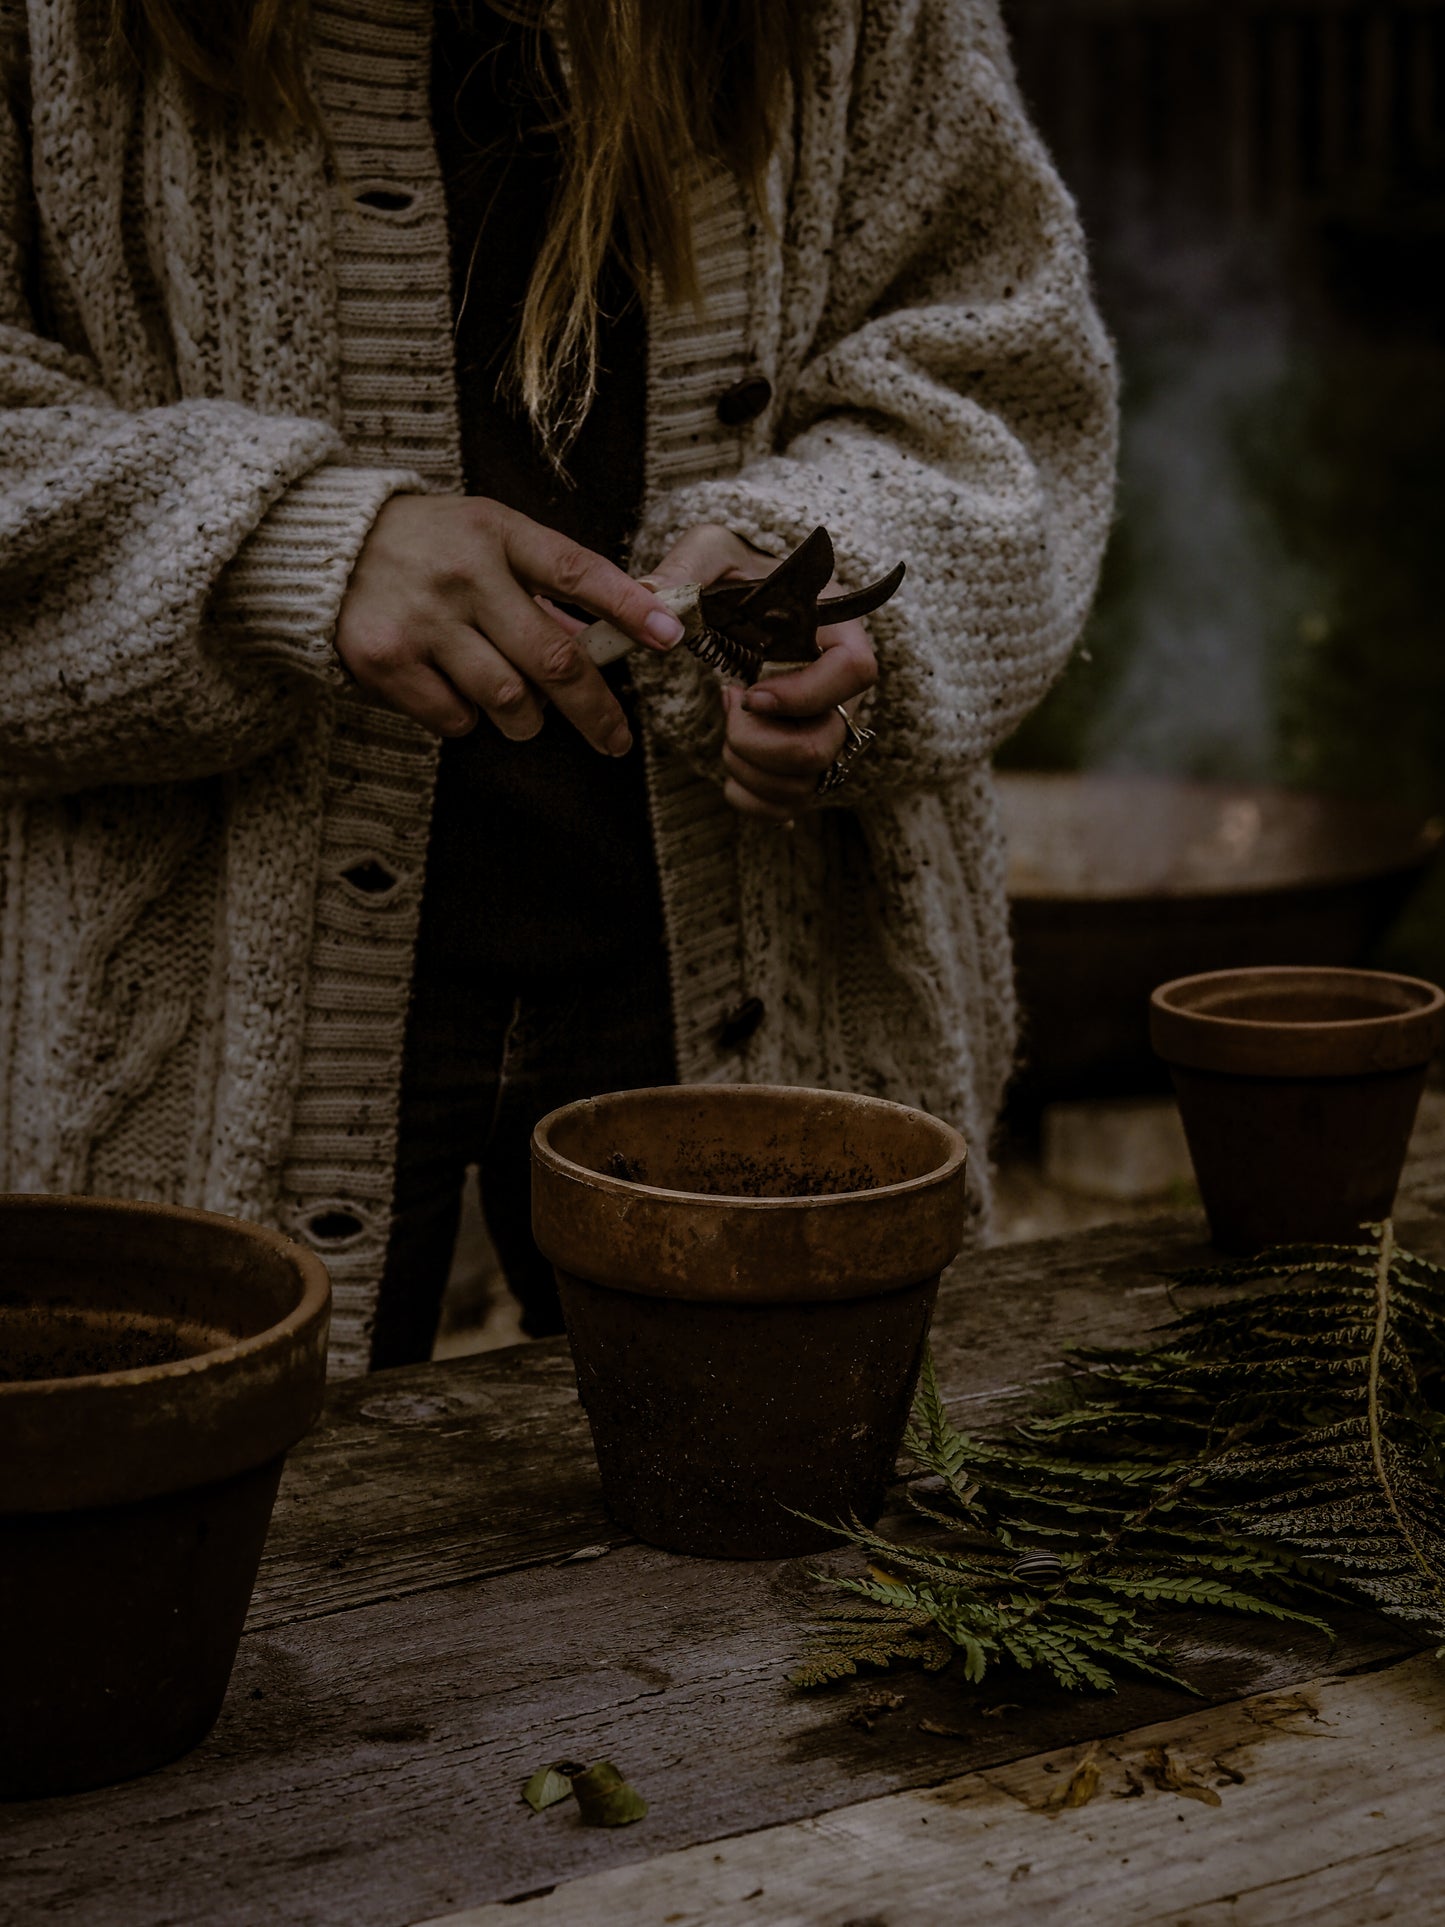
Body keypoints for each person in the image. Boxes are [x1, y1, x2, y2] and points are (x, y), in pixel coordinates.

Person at [0, 0, 1118, 1375]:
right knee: (218, 1564)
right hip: (187, 1015)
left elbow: (999, 376)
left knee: (817, 1562)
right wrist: (274, 551)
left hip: (780, 986)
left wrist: (811, 575)